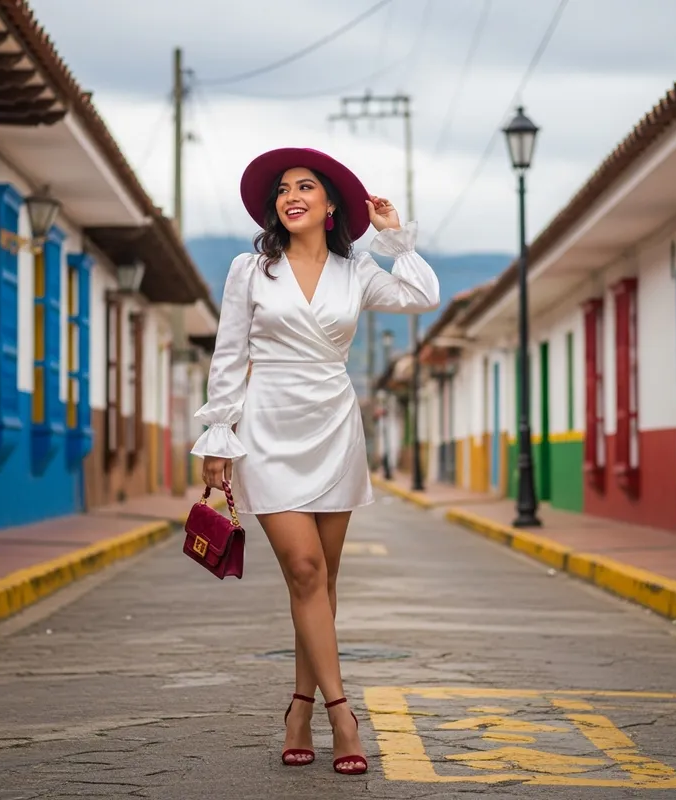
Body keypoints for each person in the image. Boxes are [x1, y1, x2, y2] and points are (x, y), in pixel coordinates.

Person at [191, 148, 439, 776]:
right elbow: (229, 353)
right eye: (282, 189)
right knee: (303, 569)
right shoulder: (250, 269)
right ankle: (342, 713)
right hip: (268, 427)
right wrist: (219, 434)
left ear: (331, 206)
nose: (291, 196)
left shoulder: (357, 272)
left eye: (305, 187)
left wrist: (393, 235)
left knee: (322, 583)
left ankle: (298, 709)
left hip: (333, 427)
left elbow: (422, 294)